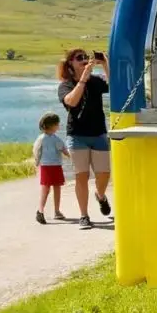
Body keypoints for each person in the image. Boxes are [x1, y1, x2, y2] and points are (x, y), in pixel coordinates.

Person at [57, 48, 112, 230]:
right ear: (70, 64)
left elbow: (114, 86)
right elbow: (71, 102)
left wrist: (105, 64)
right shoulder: (66, 85)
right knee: (82, 176)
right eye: (79, 58)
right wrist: (83, 79)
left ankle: (100, 195)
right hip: (77, 135)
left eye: (85, 57)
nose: (83, 60)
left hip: (98, 134)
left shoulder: (95, 82)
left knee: (104, 173)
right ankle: (84, 215)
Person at [32, 112, 70, 225]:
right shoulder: (55, 139)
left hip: (46, 166)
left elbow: (36, 152)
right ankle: (53, 211)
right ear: (51, 125)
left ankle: (43, 210)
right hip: (54, 166)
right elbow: (64, 150)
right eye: (57, 124)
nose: (59, 125)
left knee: (47, 188)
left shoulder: (41, 139)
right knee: (55, 188)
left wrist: (37, 163)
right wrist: (71, 156)